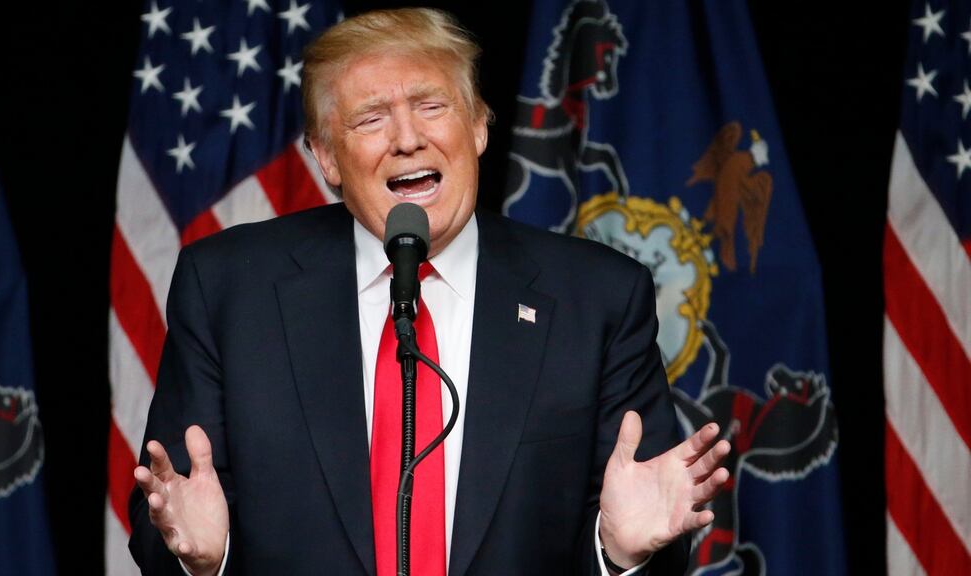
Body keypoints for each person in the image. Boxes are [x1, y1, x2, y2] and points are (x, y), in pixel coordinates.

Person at [129, 8, 729, 576]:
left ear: (478, 126)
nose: (408, 138)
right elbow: (164, 522)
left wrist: (618, 553)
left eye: (431, 105)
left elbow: (652, 535)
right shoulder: (229, 289)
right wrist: (205, 560)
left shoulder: (598, 298)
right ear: (326, 156)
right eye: (370, 118)